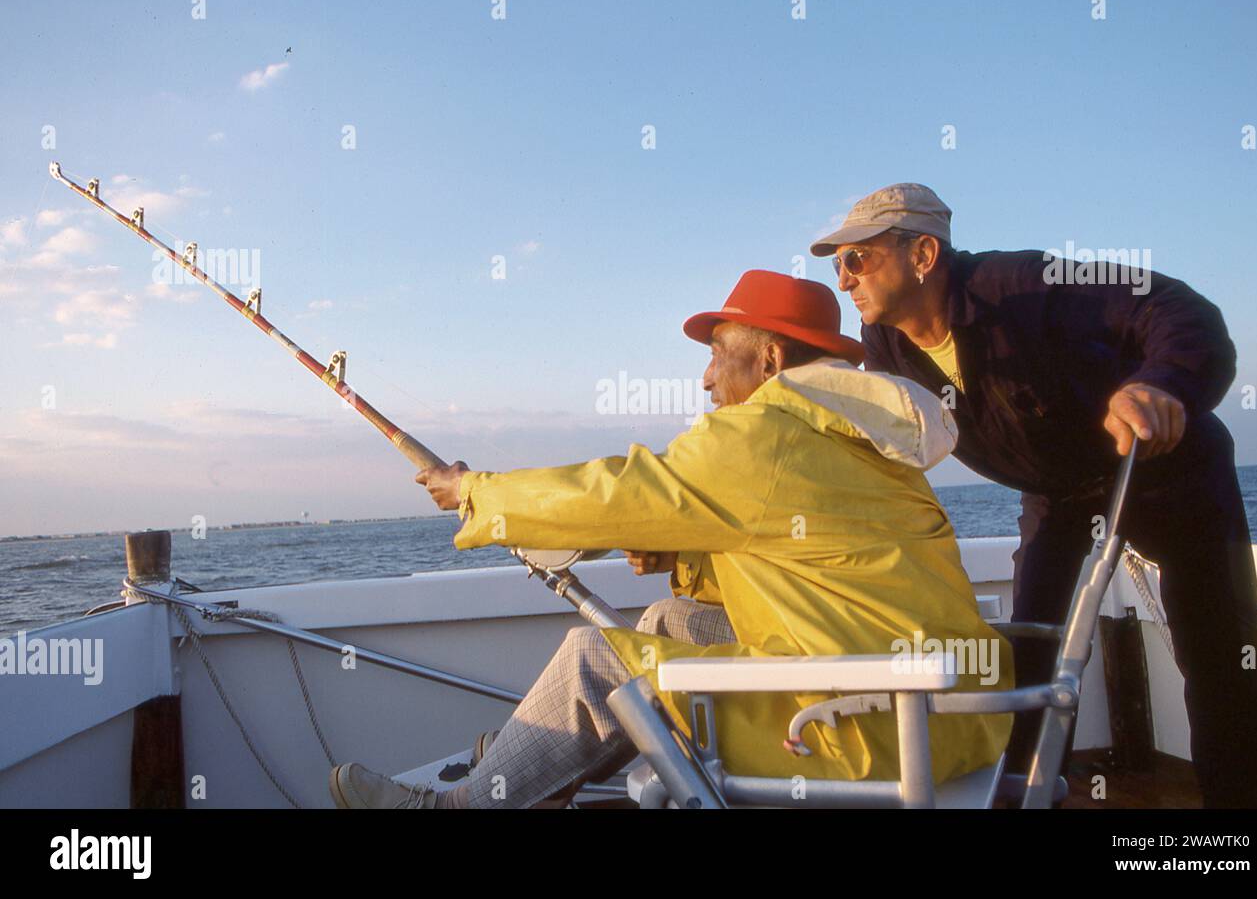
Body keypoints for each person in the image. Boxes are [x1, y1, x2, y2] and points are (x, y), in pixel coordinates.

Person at [328, 269, 1013, 808]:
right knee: (671, 620)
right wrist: (689, 561)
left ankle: (459, 809)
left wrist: (475, 490)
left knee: (597, 657)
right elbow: (823, 570)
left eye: (718, 355)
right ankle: (535, 773)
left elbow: (613, 494)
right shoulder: (862, 440)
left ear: (770, 359)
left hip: (862, 733)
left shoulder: (763, 434)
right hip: (953, 713)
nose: (707, 377)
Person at [810, 183, 1257, 808]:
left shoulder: (1028, 283)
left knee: (1220, 654)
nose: (845, 278)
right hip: (1057, 493)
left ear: (924, 255)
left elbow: (1177, 308)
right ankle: (1028, 797)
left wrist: (1161, 383)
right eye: (838, 264)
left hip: (1166, 469)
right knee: (1033, 652)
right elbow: (876, 439)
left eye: (860, 258)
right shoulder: (886, 346)